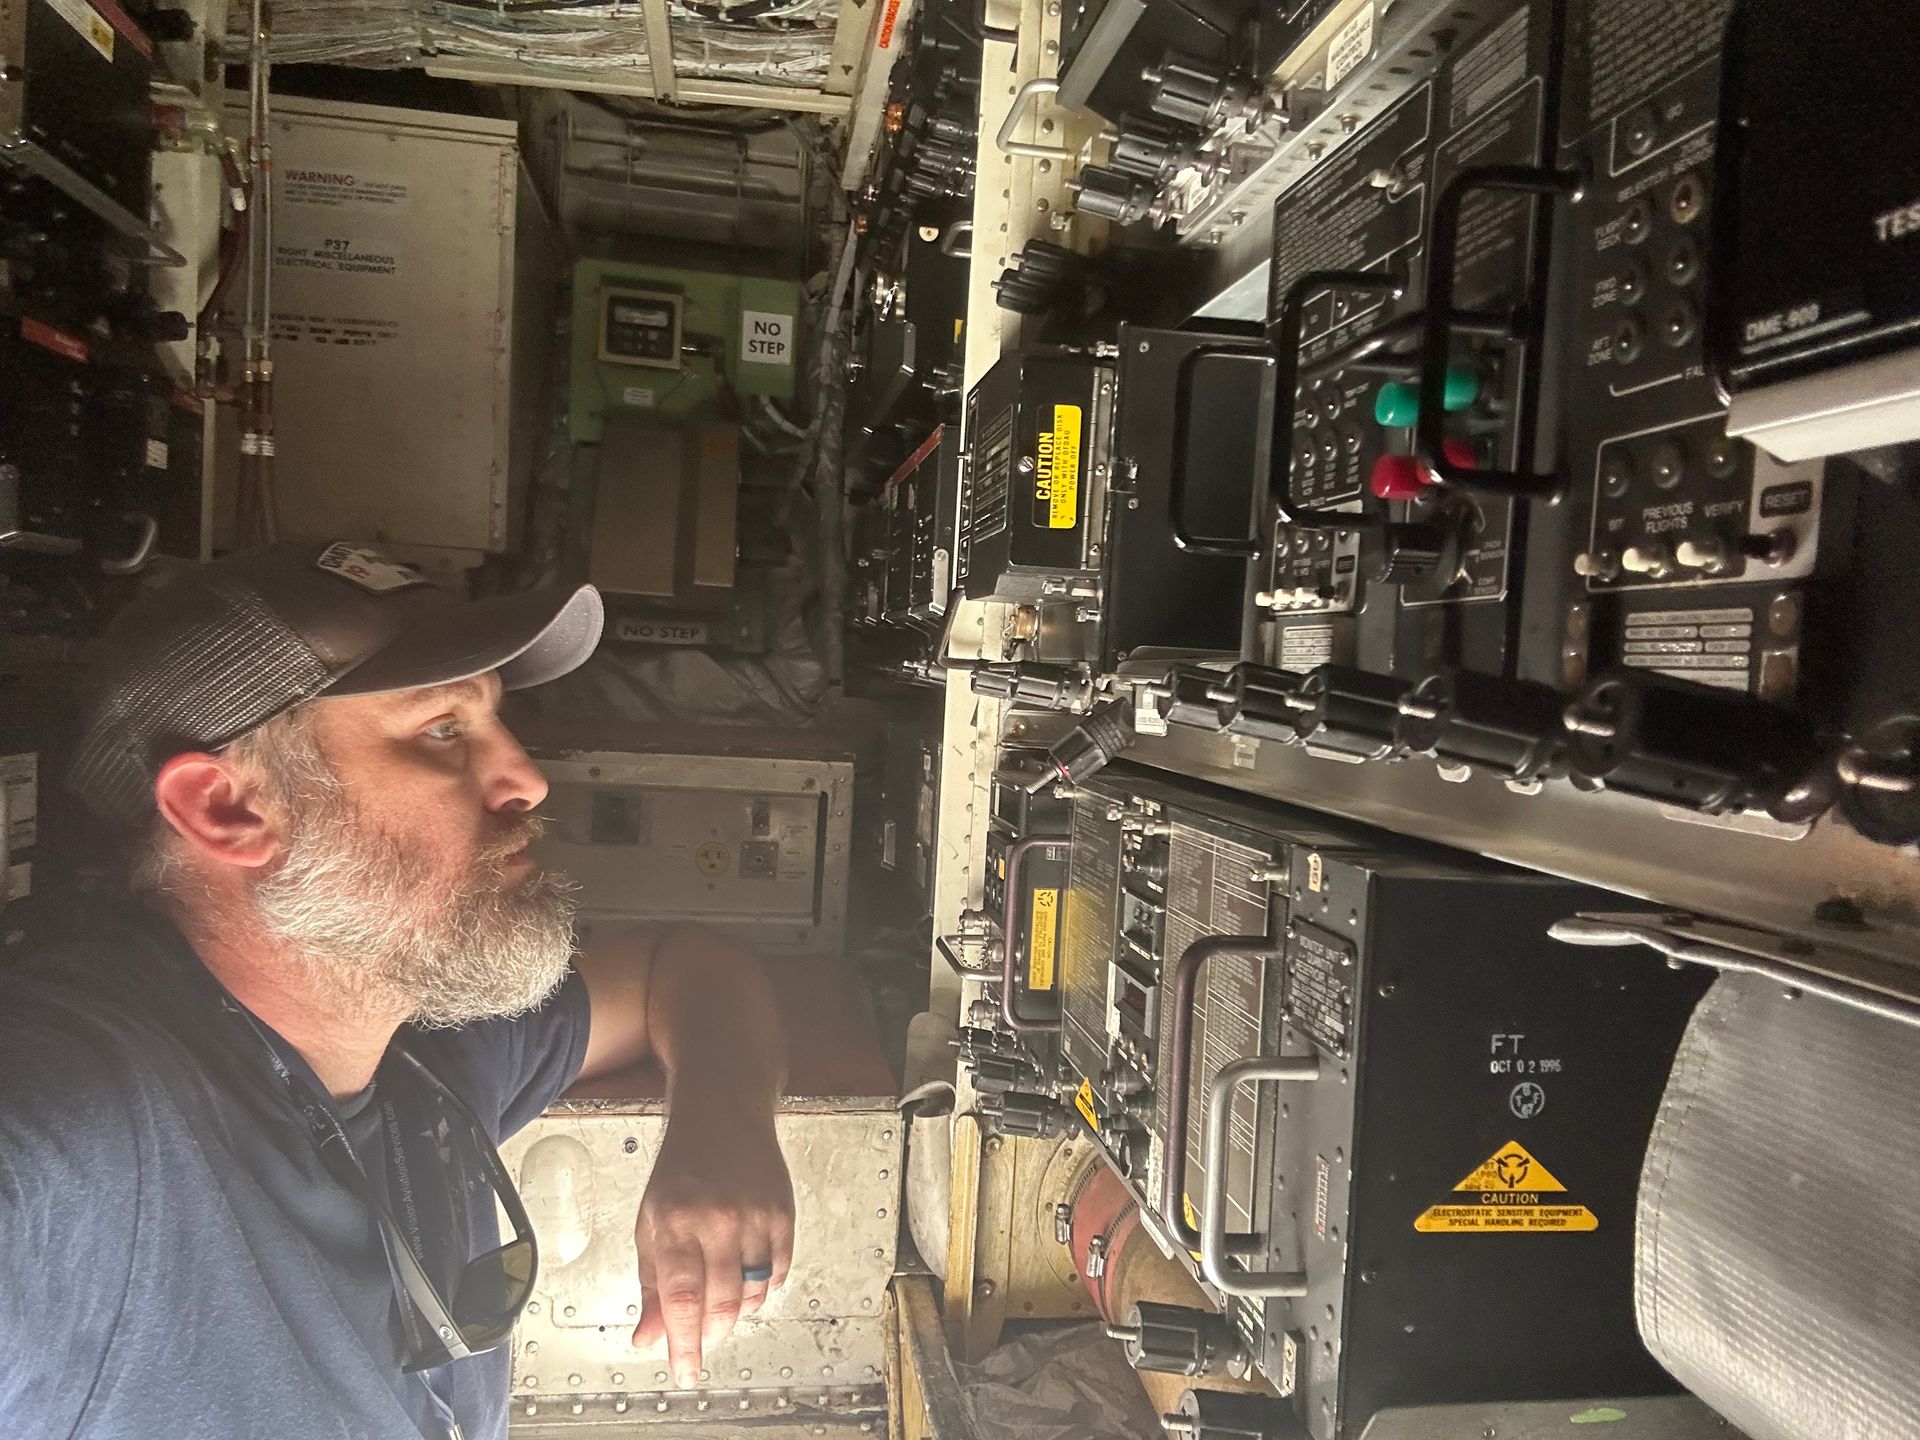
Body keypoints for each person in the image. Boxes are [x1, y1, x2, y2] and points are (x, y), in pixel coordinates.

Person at [0, 541, 795, 1439]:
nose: (527, 778)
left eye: (495, 720)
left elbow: (684, 970)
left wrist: (721, 1125)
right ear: (228, 809)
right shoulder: (80, 1121)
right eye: (443, 730)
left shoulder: (417, 1048)